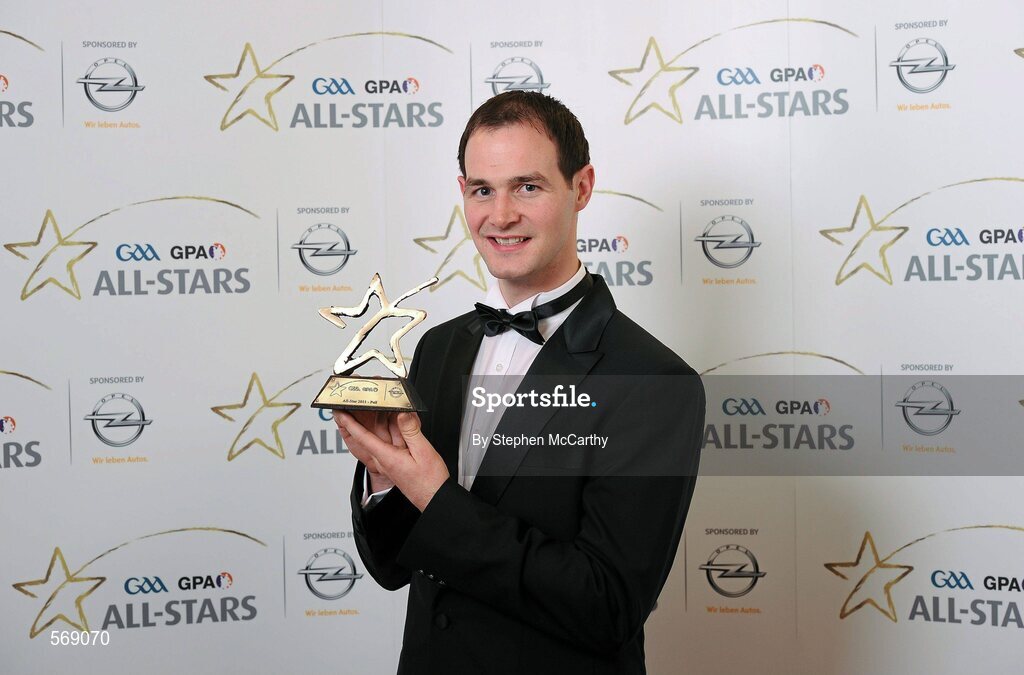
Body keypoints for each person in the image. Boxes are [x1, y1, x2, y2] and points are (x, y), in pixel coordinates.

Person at [333, 91, 704, 674]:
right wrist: (385, 478)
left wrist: (433, 494)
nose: (500, 215)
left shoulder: (652, 381)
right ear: (463, 195)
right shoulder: (438, 347)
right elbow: (391, 568)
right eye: (483, 189)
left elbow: (606, 607)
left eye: (527, 187)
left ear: (581, 188)